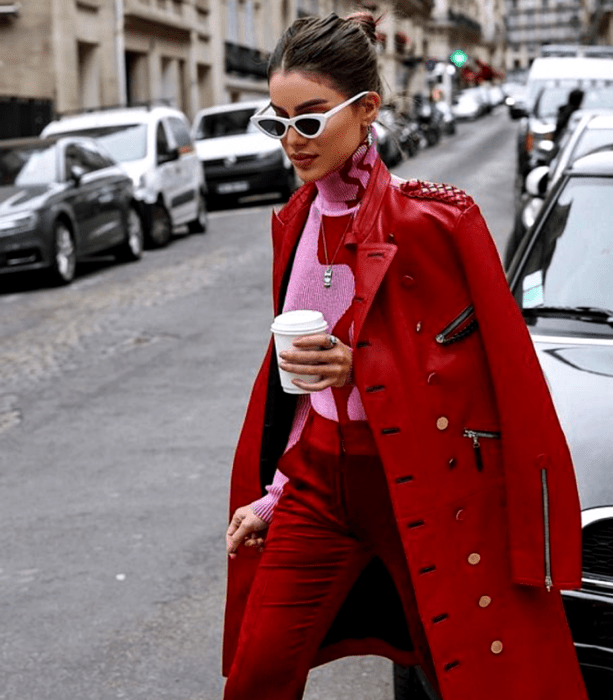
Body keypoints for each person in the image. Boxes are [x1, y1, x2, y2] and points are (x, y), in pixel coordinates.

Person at [222, 12, 588, 700]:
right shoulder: (295, 222)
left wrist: (362, 366)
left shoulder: (433, 222)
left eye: (308, 120)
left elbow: (486, 376)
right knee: (256, 675)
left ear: (365, 113)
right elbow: (299, 391)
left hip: (415, 483)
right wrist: (272, 498)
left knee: (463, 674)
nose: (291, 143)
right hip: (315, 485)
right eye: (277, 123)